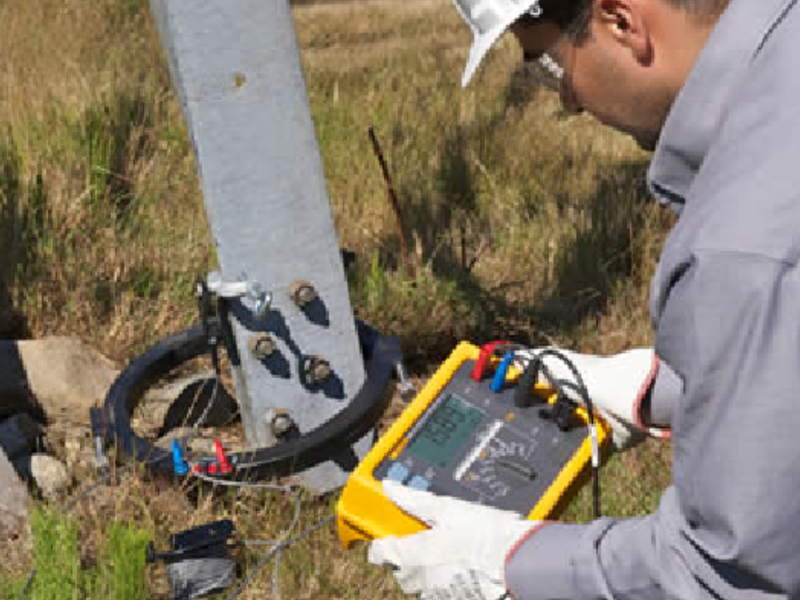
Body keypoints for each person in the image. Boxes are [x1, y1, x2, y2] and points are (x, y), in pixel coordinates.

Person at [367, 0, 800, 598]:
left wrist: (507, 564)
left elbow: (729, 575)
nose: (567, 99)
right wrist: (663, 390)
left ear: (621, 20)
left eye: (548, 68)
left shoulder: (741, 253)